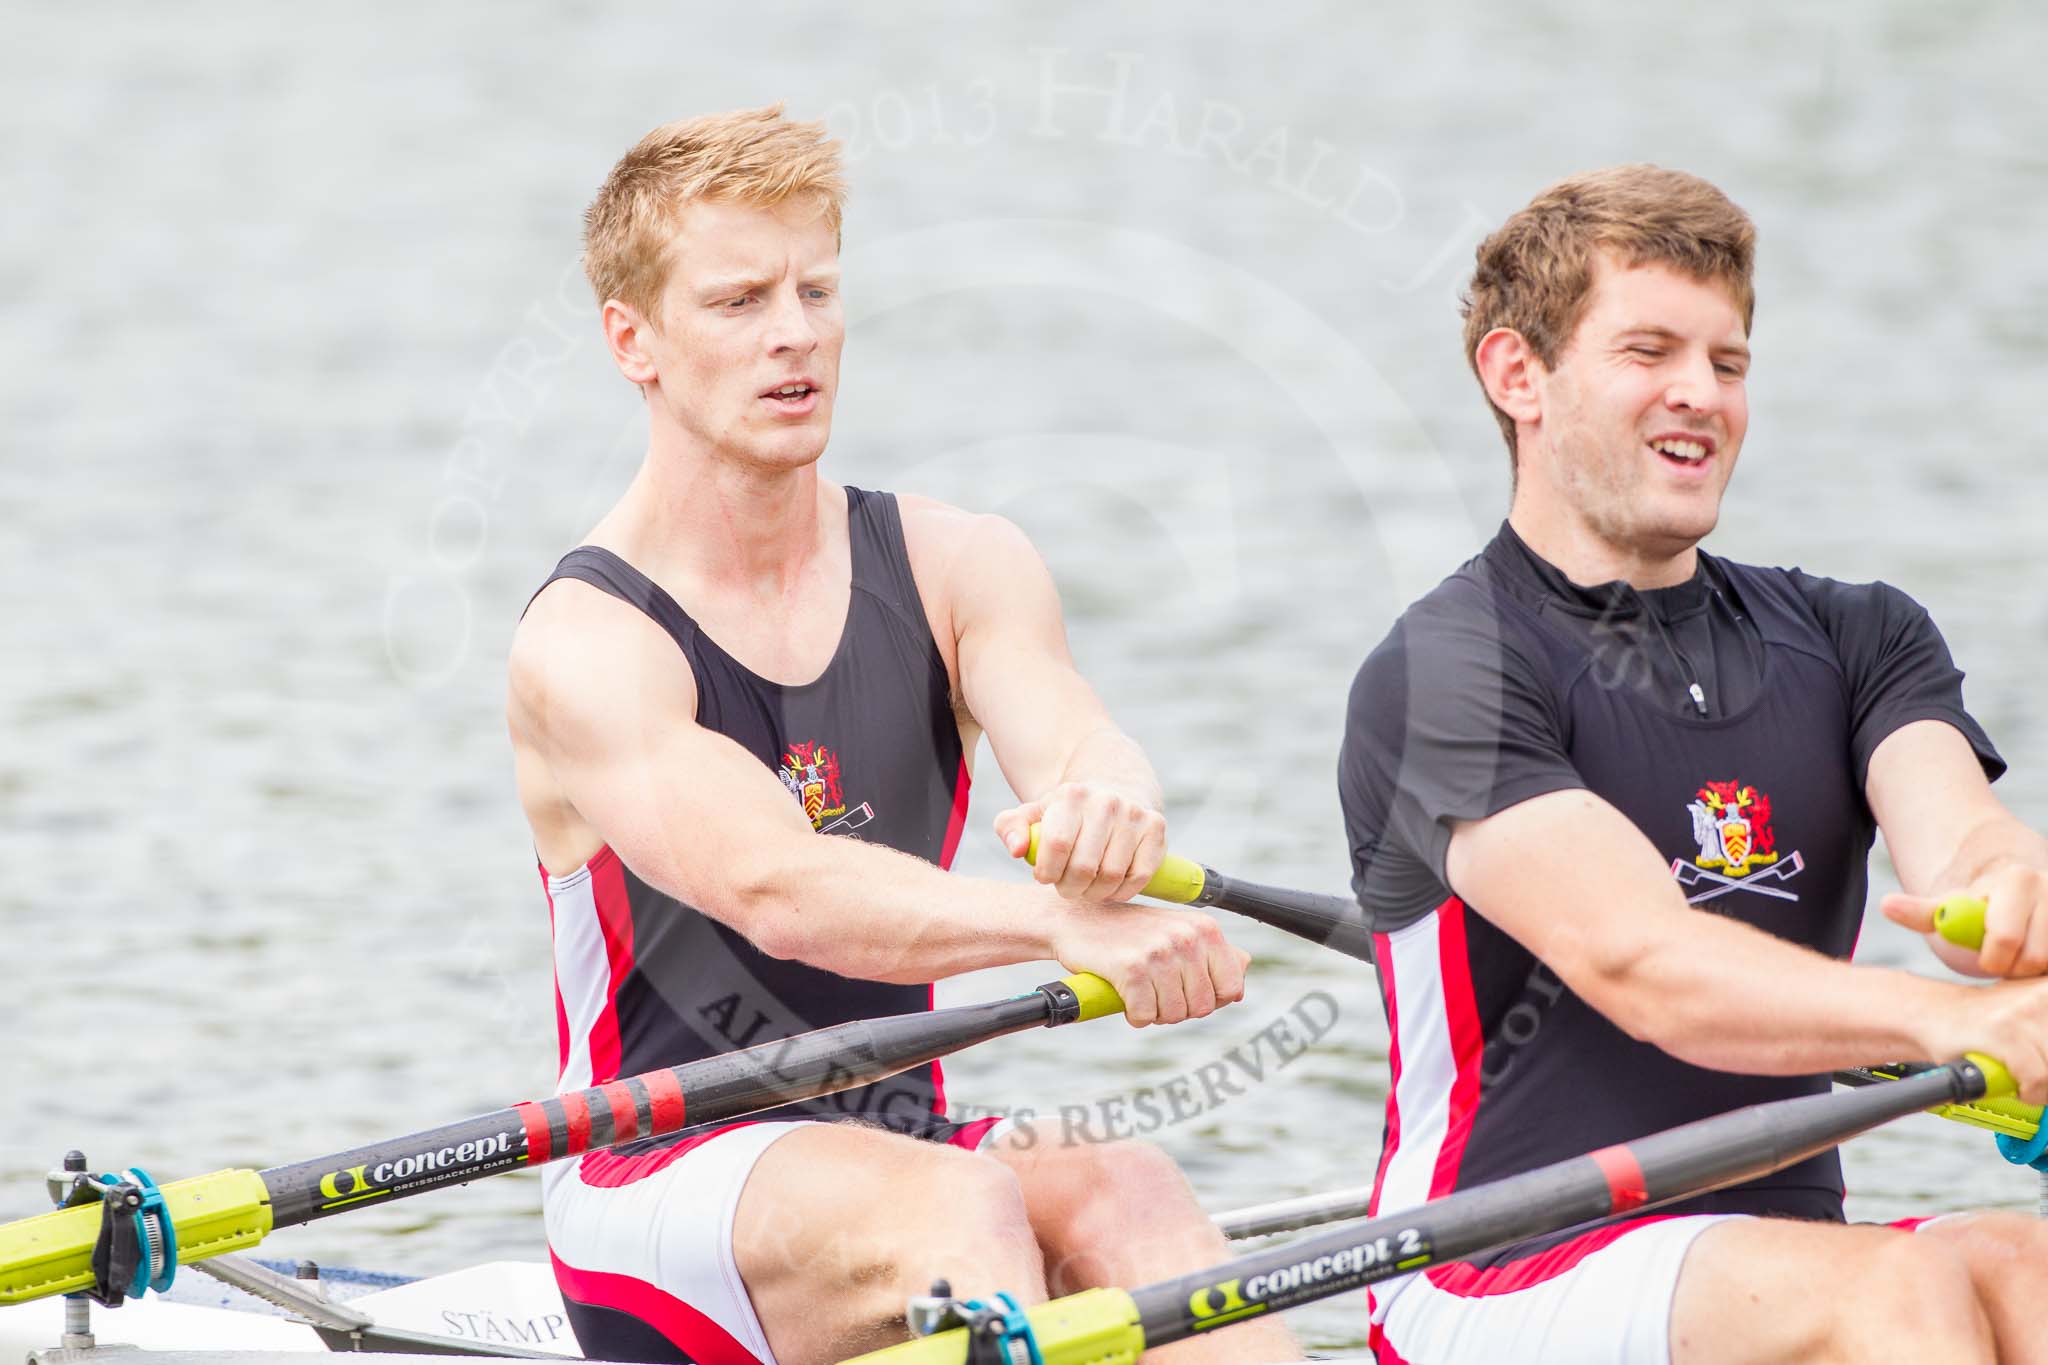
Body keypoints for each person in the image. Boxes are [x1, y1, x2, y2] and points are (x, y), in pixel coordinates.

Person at [505, 107, 1299, 1365]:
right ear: (632, 342)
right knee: (961, 1198)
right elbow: (780, 889)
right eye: (737, 301)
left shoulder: (956, 562)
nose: (794, 333)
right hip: (657, 1179)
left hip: (896, 1148)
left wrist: (1107, 811)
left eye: (816, 289)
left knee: (1124, 1177)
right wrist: (1052, 921)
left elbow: (1077, 737)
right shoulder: (589, 643)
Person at [1338, 164, 2048, 1364]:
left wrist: (2010, 909)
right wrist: (1950, 1023)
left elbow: (1959, 839)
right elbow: (1643, 967)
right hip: (1494, 1260)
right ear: (1518, 376)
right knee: (1900, 1294)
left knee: (2024, 1271)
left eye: (1725, 364)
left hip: (1773, 1247)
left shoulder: (1855, 633)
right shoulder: (1446, 668)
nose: (1698, 396)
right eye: (1647, 353)